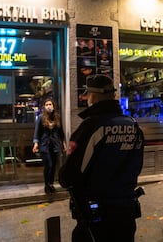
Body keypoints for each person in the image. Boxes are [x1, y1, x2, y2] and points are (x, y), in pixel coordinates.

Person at [59, 74, 145, 242]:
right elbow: (137, 166)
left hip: (97, 218)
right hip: (126, 212)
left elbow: (69, 175)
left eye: (87, 94)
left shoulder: (91, 127)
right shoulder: (133, 125)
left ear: (94, 96)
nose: (86, 98)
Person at [32, 98, 67, 194]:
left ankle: (51, 184)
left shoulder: (57, 117)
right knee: (48, 165)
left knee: (54, 165)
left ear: (53, 106)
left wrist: (63, 144)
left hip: (55, 145)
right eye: (47, 104)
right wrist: (36, 143)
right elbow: (37, 132)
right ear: (44, 106)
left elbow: (61, 132)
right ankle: (47, 184)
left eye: (50, 104)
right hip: (44, 145)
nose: (48, 106)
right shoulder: (41, 117)